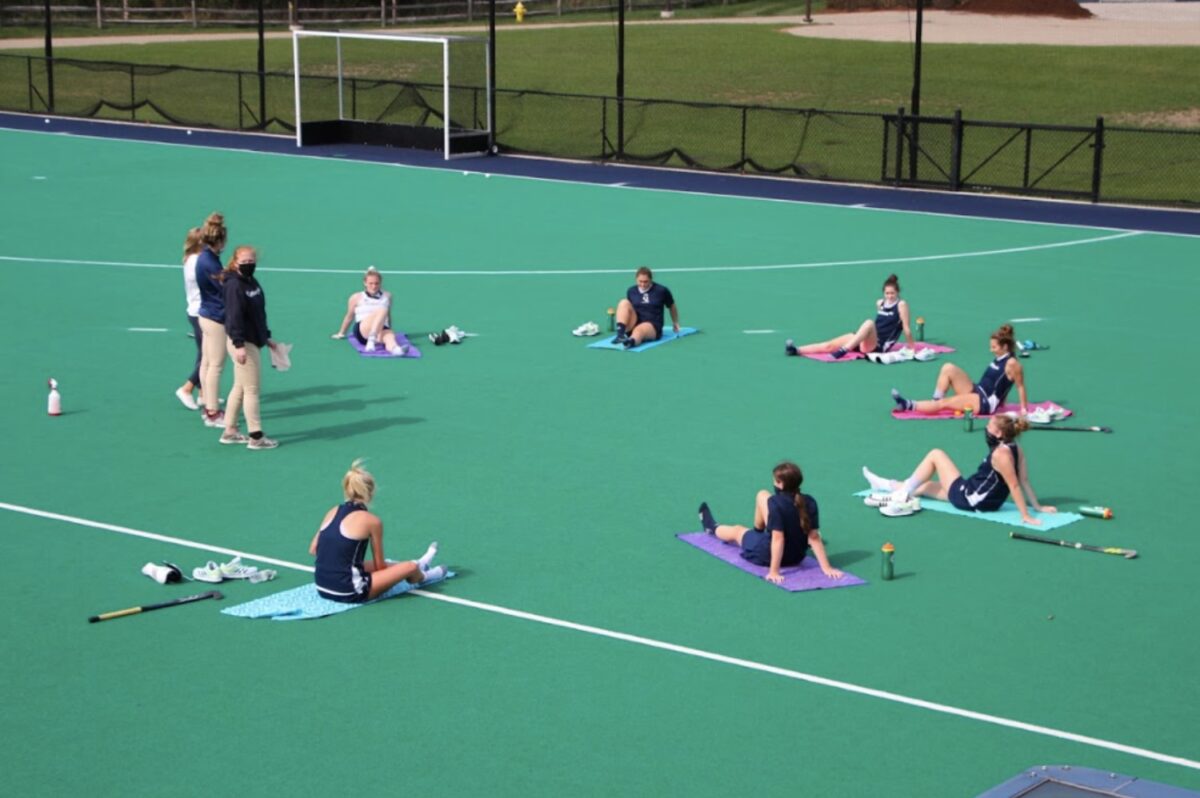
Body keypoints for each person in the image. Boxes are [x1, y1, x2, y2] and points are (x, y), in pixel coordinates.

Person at [862, 414, 1057, 525]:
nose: (986, 428)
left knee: (936, 455)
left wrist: (1026, 515)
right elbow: (1025, 481)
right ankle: (886, 485)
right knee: (925, 485)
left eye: (989, 426)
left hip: (971, 499)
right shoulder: (1016, 448)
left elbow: (1015, 486)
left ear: (998, 433)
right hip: (980, 496)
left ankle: (901, 494)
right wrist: (1038, 507)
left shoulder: (1001, 455)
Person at [310, 460, 444, 603]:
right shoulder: (372, 521)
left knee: (366, 564)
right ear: (371, 492)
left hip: (322, 587)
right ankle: (423, 576)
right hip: (350, 591)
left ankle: (420, 564)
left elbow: (313, 549)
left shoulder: (332, 511)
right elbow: (380, 567)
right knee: (407, 567)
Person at [698, 462, 844, 584]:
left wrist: (774, 571)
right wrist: (827, 568)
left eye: (775, 480)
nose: (773, 483)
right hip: (797, 556)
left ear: (780, 484)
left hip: (767, 555)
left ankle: (712, 528)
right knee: (762, 494)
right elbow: (814, 538)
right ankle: (757, 530)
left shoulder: (775, 503)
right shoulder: (810, 501)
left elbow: (778, 539)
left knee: (738, 530)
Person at [890, 323, 1028, 416]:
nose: (990, 350)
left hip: (984, 403)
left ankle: (907, 405)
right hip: (977, 390)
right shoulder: (1001, 357)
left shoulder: (1012, 363)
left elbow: (1019, 386)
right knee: (948, 368)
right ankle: (934, 401)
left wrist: (1023, 409)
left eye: (994, 347)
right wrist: (1003, 402)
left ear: (1005, 347)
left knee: (945, 403)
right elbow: (1001, 382)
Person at [219, 245, 281, 450]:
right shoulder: (234, 285)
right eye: (244, 262)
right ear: (235, 262)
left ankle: (229, 430)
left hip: (252, 339)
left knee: (240, 386)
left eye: (251, 262)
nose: (248, 265)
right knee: (252, 390)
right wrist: (239, 345)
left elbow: (258, 313)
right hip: (243, 342)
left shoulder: (251, 281)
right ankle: (256, 436)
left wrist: (267, 337)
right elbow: (233, 316)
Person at [786, 273, 914, 359]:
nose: (890, 296)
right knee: (828, 346)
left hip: (877, 346)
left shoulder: (901, 304)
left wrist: (912, 349)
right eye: (887, 293)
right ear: (883, 293)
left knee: (869, 322)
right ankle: (796, 350)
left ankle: (843, 351)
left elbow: (906, 328)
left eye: (892, 293)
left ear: (897, 292)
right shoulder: (880, 303)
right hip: (864, 338)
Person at [195, 212, 229, 428]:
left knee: (207, 362)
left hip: (205, 314)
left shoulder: (205, 257)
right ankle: (213, 413)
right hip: (216, 318)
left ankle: (206, 400)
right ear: (221, 240)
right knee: (216, 365)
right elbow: (224, 288)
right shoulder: (212, 264)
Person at [330, 266, 408, 355]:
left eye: (376, 283)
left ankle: (396, 350)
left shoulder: (387, 296)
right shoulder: (356, 297)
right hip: (362, 330)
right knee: (383, 309)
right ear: (365, 283)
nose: (374, 286)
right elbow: (349, 316)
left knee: (390, 336)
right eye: (370, 283)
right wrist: (341, 333)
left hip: (380, 328)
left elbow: (387, 316)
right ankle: (371, 340)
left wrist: (388, 329)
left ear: (380, 283)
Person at [174, 227, 204, 410]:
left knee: (204, 353)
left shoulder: (192, 259)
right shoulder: (197, 262)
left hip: (197, 311)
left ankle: (204, 394)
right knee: (208, 356)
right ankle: (187, 388)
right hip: (200, 312)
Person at [614, 266, 680, 349]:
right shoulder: (631, 291)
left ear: (651, 279)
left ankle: (631, 342)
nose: (643, 284)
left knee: (640, 329)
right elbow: (627, 310)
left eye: (646, 281)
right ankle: (620, 335)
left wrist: (675, 322)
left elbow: (671, 306)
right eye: (640, 281)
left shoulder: (661, 290)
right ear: (636, 279)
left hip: (652, 326)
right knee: (623, 302)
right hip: (634, 322)